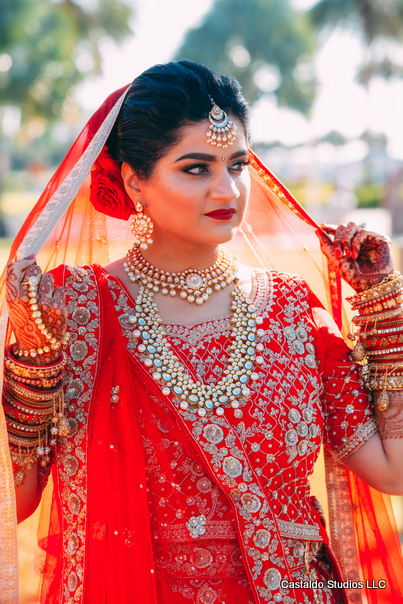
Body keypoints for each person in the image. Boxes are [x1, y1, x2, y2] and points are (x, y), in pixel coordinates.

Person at [1, 60, 403, 604]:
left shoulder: (289, 307)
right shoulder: (75, 308)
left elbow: (392, 469)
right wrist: (35, 358)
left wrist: (382, 308)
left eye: (237, 165)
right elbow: (15, 502)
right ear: (133, 180)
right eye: (196, 168)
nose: (227, 189)